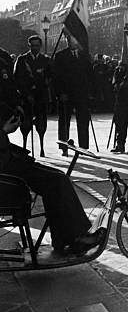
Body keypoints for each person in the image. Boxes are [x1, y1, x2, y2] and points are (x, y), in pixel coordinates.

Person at [0, 104, 105, 252]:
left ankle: (63, 238)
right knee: (58, 181)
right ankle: (77, 237)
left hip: (11, 169)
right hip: (8, 177)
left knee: (57, 178)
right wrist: (4, 130)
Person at [53, 30, 94, 156]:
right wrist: (60, 93)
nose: (72, 42)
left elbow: (90, 75)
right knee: (64, 121)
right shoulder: (60, 56)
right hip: (66, 94)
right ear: (67, 40)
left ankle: (84, 147)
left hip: (81, 94)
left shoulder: (85, 56)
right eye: (70, 39)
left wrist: (91, 92)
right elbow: (56, 77)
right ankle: (64, 147)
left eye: (75, 39)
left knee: (83, 120)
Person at [13, 35, 52, 156]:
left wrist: (47, 79)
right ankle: (25, 146)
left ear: (40, 46)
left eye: (37, 46)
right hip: (27, 97)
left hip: (41, 96)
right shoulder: (22, 59)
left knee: (41, 124)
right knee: (26, 124)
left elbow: (52, 76)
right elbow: (17, 78)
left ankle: (41, 147)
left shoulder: (46, 60)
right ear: (29, 46)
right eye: (32, 46)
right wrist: (26, 93)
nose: (35, 48)